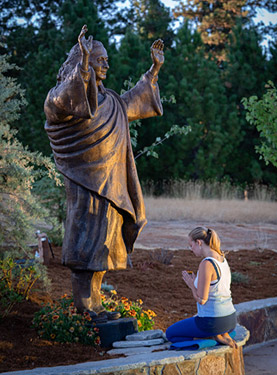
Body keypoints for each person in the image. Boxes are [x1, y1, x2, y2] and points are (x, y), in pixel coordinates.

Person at [44, 25, 164, 322]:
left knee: (102, 250)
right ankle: (85, 308)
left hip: (111, 186)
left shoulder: (110, 100)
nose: (106, 64)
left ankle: (96, 306)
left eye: (105, 60)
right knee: (85, 251)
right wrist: (83, 64)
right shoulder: (61, 98)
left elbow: (136, 99)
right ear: (83, 61)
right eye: (100, 60)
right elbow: (67, 102)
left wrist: (153, 70)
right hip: (86, 185)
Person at [166, 226, 237, 348]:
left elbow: (202, 300)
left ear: (199, 242)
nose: (191, 249)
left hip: (212, 322)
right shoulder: (222, 259)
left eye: (191, 245)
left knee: (170, 334)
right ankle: (220, 334)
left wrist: (191, 286)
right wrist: (195, 282)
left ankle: (210, 338)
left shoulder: (207, 263)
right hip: (230, 320)